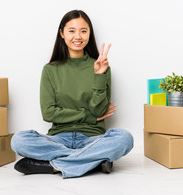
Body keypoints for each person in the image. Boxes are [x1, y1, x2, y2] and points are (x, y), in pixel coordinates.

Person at [11, 10, 134, 179]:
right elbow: (48, 113)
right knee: (19, 140)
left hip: (92, 138)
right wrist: (87, 116)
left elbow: (99, 112)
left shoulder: (101, 66)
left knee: (124, 138)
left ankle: (53, 166)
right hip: (58, 139)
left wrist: (99, 75)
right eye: (72, 31)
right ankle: (93, 160)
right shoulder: (50, 70)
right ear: (62, 33)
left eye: (84, 31)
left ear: (89, 34)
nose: (78, 36)